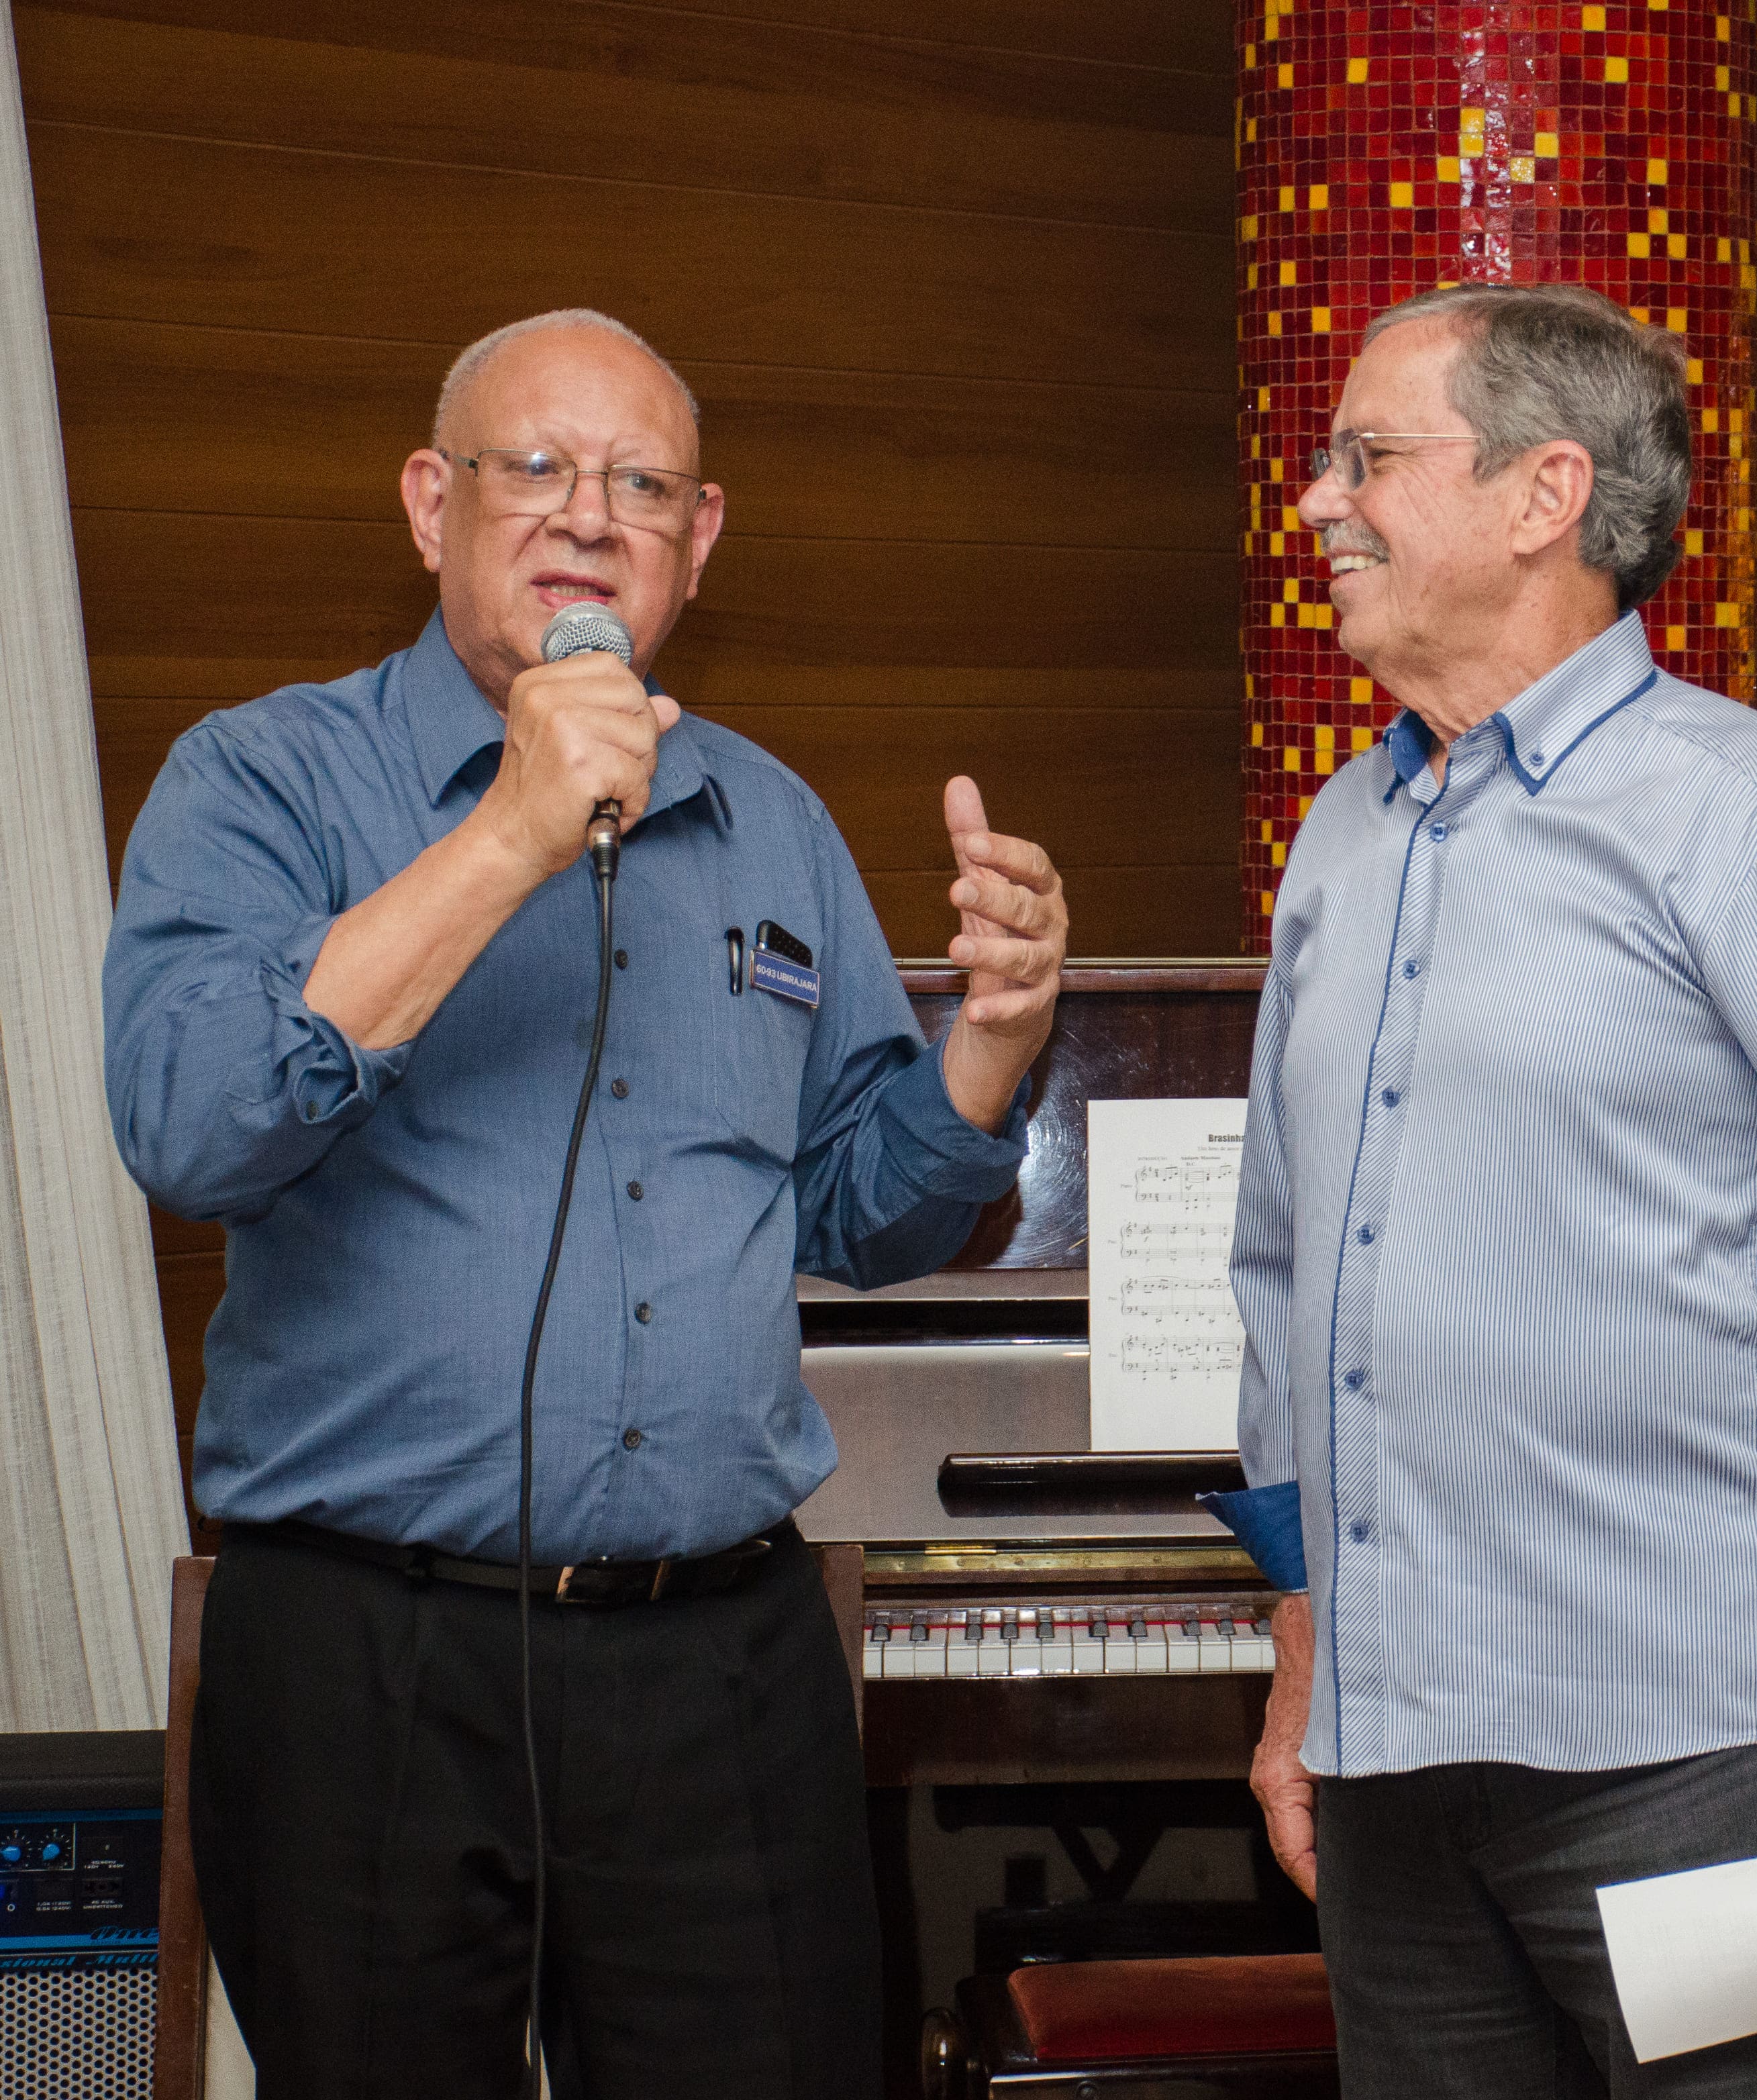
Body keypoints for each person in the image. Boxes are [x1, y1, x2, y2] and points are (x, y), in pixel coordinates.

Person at [102, 307, 1068, 2098]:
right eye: (536, 466)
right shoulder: (263, 778)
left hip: (723, 1665)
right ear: (430, 504)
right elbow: (190, 1126)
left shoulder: (772, 823)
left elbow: (862, 1216)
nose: (588, 514)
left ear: (701, 538)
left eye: (642, 483)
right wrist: (512, 832)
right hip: (368, 1656)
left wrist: (989, 1053)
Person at [1197, 283, 1757, 2097]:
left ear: (1544, 494)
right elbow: (1279, 1265)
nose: (1318, 501)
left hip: (1695, 1758)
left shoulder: (1746, 815)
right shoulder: (1338, 839)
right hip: (1390, 1767)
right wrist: (1303, 1644)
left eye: (1367, 457)